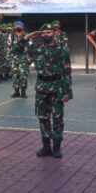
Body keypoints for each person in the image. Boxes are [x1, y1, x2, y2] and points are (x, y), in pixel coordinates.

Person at [24, 23, 72, 158]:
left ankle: (57, 148)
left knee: (57, 119)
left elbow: (67, 71)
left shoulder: (63, 50)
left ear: (54, 33)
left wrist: (68, 92)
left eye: (49, 32)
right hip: (41, 87)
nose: (46, 34)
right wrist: (31, 35)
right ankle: (46, 147)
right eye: (43, 32)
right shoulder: (36, 49)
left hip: (57, 87)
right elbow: (17, 49)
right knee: (43, 118)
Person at [7, 21, 30, 98]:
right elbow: (8, 46)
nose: (18, 27)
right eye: (17, 25)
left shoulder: (26, 35)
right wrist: (8, 57)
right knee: (15, 75)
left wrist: (27, 51)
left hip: (23, 58)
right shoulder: (11, 35)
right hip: (14, 58)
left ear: (23, 27)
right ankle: (16, 92)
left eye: (20, 26)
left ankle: (23, 92)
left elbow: (30, 45)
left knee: (23, 75)